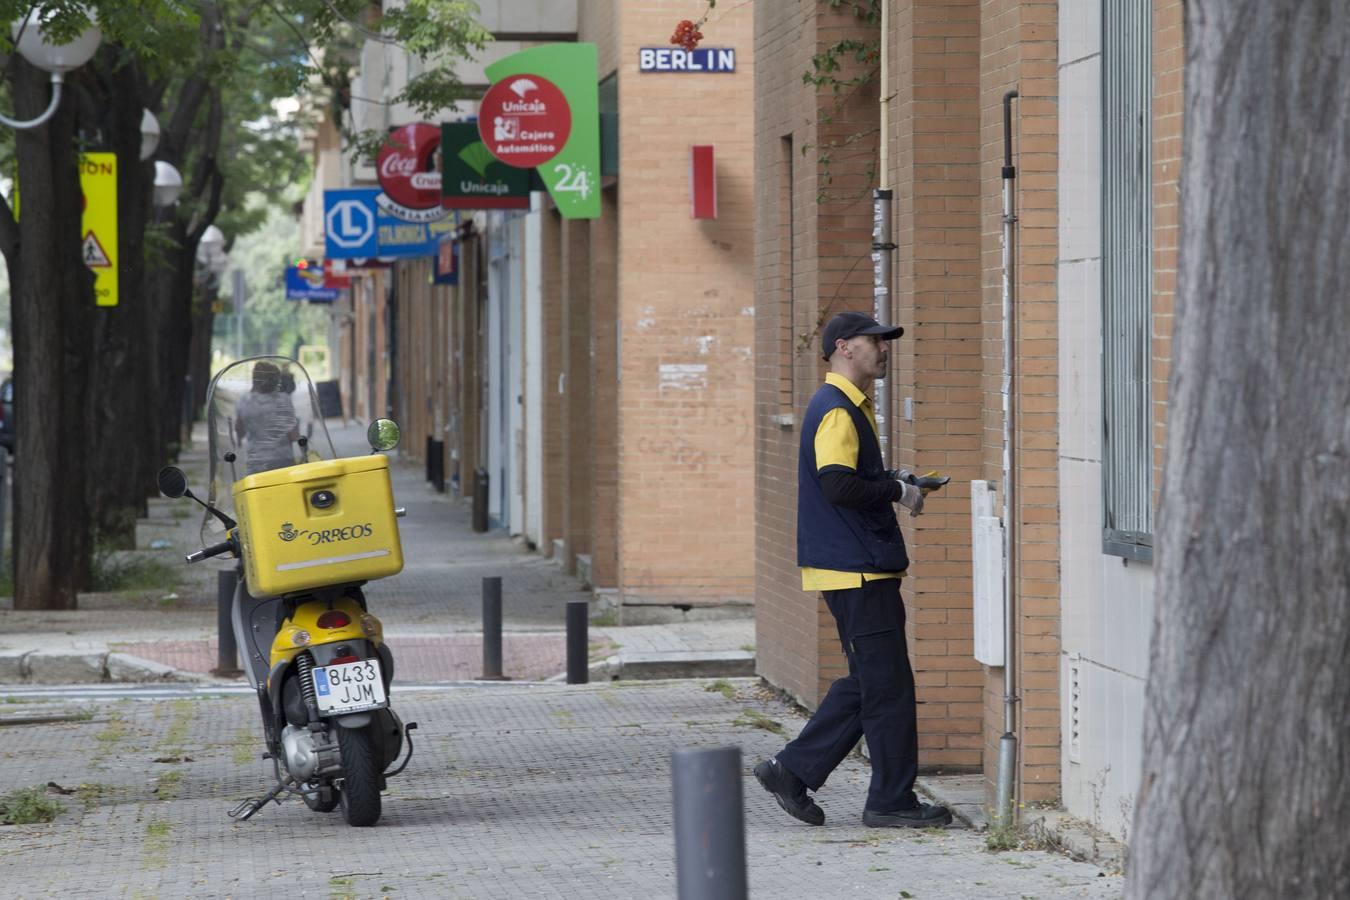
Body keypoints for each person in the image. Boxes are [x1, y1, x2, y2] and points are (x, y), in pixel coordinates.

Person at [754, 311, 953, 829]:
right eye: (875, 341)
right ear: (844, 347)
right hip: (857, 567)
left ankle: (791, 772)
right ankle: (889, 800)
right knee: (887, 687)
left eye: (885, 342)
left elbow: (847, 477)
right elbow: (837, 485)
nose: (884, 349)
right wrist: (897, 492)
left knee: (871, 682)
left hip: (851, 565)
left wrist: (891, 477)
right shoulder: (839, 409)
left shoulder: (846, 407)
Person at [234, 360, 300, 476]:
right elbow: (293, 435)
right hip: (283, 461)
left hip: (256, 463)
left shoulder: (244, 401)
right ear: (275, 381)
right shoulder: (284, 399)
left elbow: (240, 431)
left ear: (254, 380)